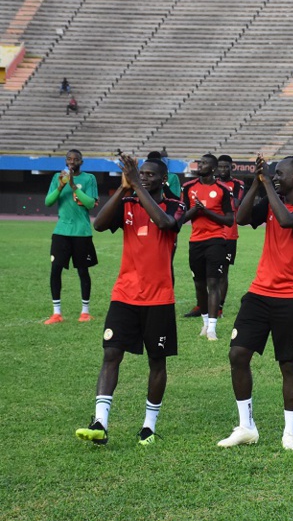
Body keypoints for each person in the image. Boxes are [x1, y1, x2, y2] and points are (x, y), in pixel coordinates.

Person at [76, 154, 183, 447]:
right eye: (141, 174)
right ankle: (100, 422)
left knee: (156, 361)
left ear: (163, 179)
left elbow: (165, 223)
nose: (144, 177)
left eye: (149, 175)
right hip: (125, 294)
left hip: (159, 298)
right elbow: (98, 225)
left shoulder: (176, 204)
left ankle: (148, 426)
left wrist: (137, 186)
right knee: (111, 354)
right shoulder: (128, 202)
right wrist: (125, 189)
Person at [217, 155, 293, 450]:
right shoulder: (272, 201)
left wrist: (269, 188)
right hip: (259, 293)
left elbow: (289, 222)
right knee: (238, 354)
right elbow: (241, 218)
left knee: (289, 365)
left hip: (291, 298)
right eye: (273, 174)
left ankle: (289, 432)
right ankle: (246, 426)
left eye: (281, 173)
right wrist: (254, 185)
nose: (275, 177)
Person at [180, 153, 234, 340]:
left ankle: (212, 327)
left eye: (203, 163)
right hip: (195, 241)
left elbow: (229, 219)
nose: (199, 165)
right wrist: (195, 210)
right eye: (199, 162)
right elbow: (181, 218)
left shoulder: (223, 189)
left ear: (212, 168)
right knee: (199, 284)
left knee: (213, 282)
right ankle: (204, 322)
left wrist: (207, 212)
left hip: (216, 240)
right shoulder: (188, 188)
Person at [44, 149, 98, 324]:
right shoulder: (56, 178)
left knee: (83, 271)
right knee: (55, 270)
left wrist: (73, 185)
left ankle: (85, 311)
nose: (72, 161)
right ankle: (56, 313)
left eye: (75, 159)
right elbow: (48, 202)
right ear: (66, 161)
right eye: (69, 159)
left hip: (82, 232)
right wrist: (61, 186)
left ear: (81, 162)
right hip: (61, 232)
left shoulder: (89, 178)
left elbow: (90, 203)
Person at [217, 155, 245, 316]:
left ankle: (219, 307)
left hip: (229, 235)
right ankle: (203, 305)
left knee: (223, 272)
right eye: (220, 167)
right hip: (210, 233)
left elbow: (235, 204)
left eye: (226, 167)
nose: (223, 170)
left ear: (231, 167)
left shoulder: (237, 184)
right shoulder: (211, 183)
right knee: (207, 273)